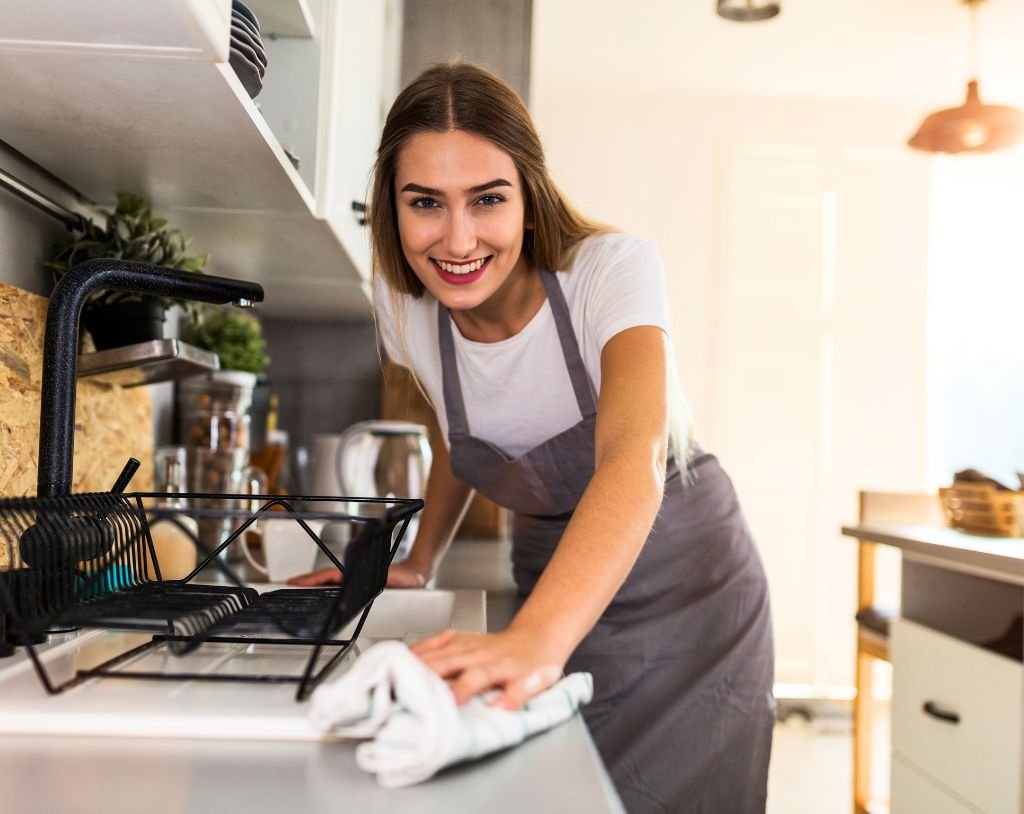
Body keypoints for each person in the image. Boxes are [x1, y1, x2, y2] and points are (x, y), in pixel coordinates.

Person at [290, 62, 775, 813]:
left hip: (688, 587)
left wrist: (537, 641)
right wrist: (418, 561)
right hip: (553, 574)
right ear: (392, 205)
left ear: (529, 194)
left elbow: (632, 457)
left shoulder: (609, 273)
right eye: (426, 203)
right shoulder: (401, 303)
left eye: (488, 200)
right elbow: (461, 434)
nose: (457, 239)